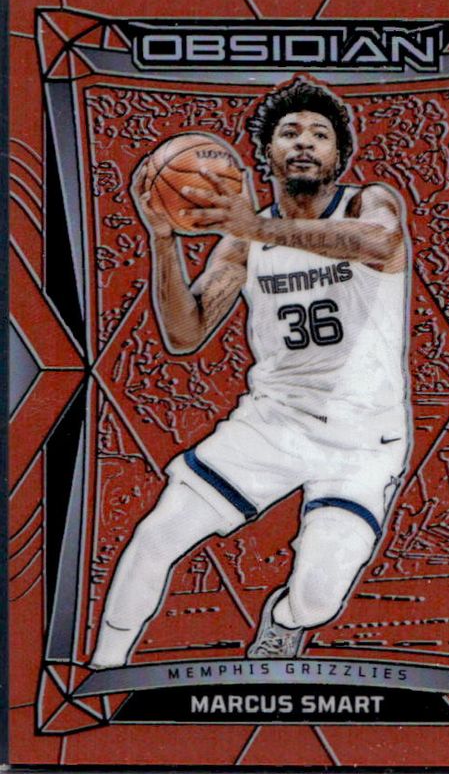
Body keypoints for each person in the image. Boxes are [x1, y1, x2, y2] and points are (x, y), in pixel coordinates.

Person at [91, 77, 411, 668]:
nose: (304, 142)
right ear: (267, 153)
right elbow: (185, 334)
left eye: (319, 134)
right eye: (290, 132)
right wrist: (162, 241)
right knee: (157, 536)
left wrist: (254, 227)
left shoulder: (368, 203)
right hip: (274, 423)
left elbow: (379, 244)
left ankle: (284, 621)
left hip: (364, 439)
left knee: (316, 599)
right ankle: (102, 669)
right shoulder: (244, 244)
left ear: (339, 154)